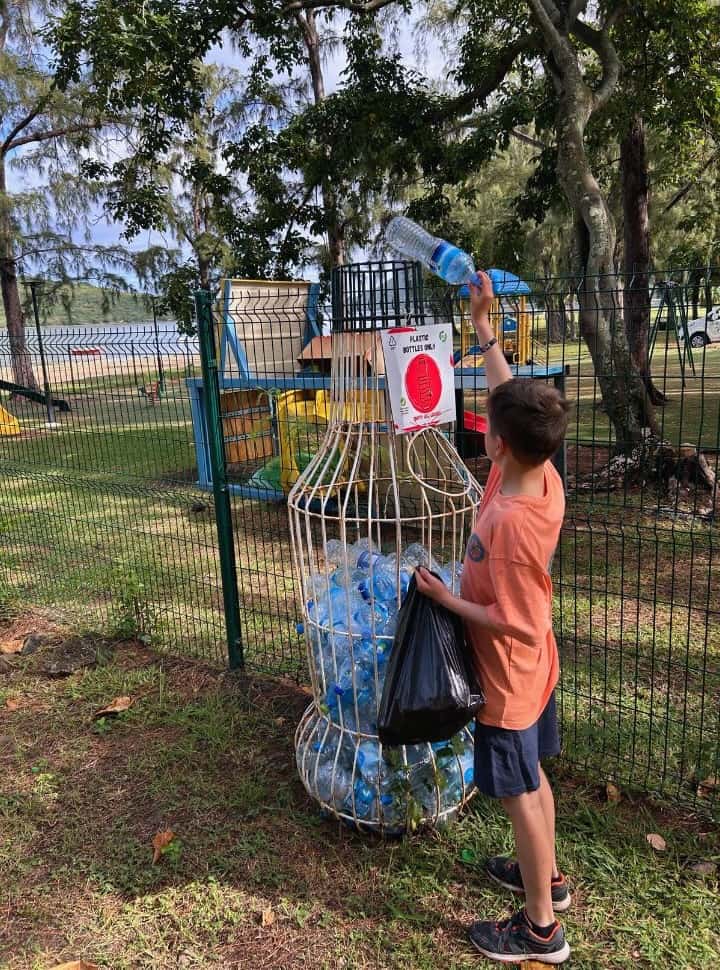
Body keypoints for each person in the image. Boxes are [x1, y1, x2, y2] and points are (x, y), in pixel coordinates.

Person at [415, 271, 571, 965]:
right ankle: (551, 880)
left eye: (488, 425)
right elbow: (507, 396)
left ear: (499, 444)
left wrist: (447, 600)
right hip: (535, 676)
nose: (482, 424)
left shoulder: (509, 522)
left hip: (510, 682)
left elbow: (518, 621)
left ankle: (540, 928)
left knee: (521, 792)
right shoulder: (538, 472)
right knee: (534, 780)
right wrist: (485, 330)